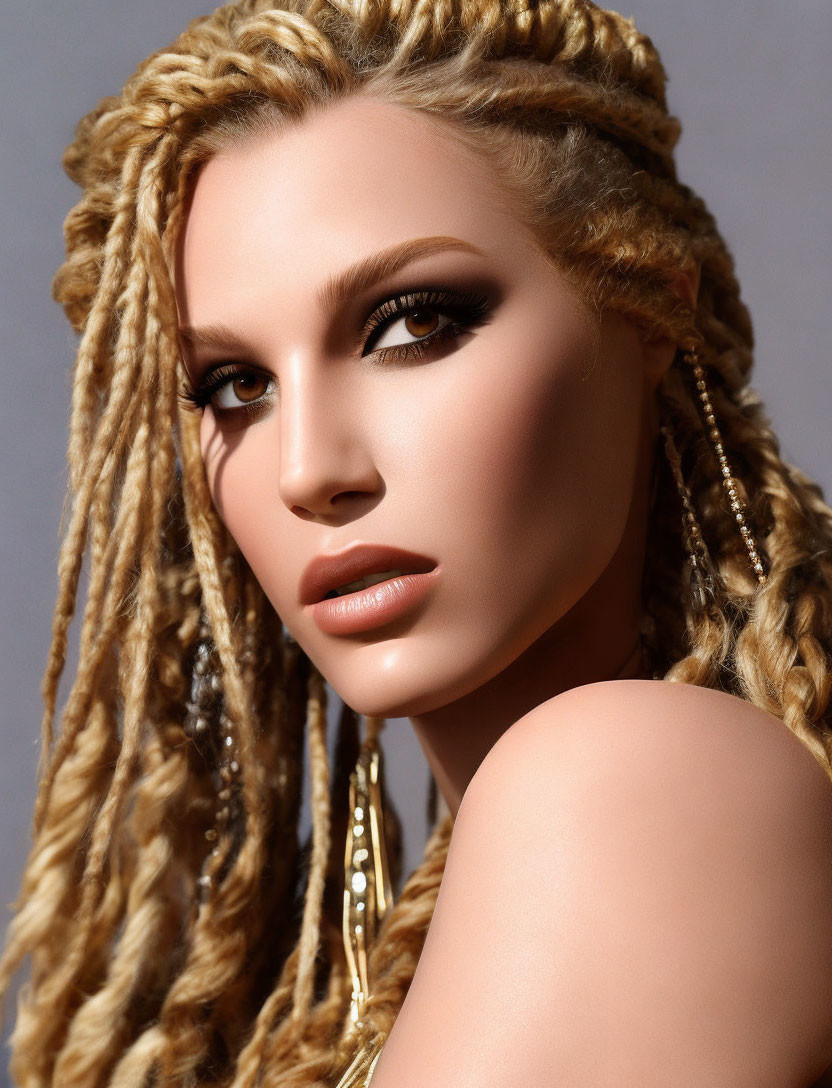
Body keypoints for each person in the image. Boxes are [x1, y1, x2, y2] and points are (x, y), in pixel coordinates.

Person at [2, 0, 832, 1084]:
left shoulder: (633, 792)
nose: (308, 467)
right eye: (233, 385)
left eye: (412, 322)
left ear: (650, 312)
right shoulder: (470, 906)